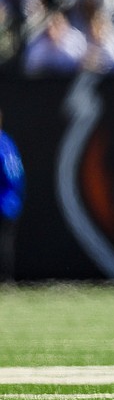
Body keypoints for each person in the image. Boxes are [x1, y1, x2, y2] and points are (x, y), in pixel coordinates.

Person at [0, 108, 24, 281]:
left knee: (4, 246)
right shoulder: (7, 141)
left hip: (3, 203)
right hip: (12, 203)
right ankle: (6, 282)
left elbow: (11, 175)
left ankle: (5, 281)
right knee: (5, 245)